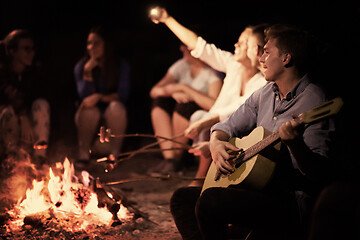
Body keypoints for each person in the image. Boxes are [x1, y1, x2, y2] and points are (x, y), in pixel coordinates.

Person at [170, 24, 336, 240]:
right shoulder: (265, 93)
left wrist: (296, 144)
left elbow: (318, 173)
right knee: (182, 198)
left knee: (211, 201)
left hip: (287, 201)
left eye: (267, 52)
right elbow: (226, 126)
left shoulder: (314, 100)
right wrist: (216, 142)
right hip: (256, 189)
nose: (260, 58)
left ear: (286, 59)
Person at [151, 8, 267, 183]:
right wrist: (167, 19)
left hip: (240, 133)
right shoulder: (234, 66)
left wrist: (204, 122)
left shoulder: (262, 82)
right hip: (217, 130)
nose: (236, 45)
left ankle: (201, 179)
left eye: (243, 43)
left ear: (257, 50)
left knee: (205, 121)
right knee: (200, 117)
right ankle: (200, 173)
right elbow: (200, 47)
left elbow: (238, 108)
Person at [149, 44, 222, 176]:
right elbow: (154, 91)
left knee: (185, 105)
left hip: (195, 122)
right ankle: (170, 159)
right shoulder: (181, 65)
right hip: (179, 116)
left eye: (186, 46)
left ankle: (176, 159)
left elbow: (213, 104)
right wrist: (173, 92)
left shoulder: (212, 71)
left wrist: (185, 88)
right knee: (160, 102)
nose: (181, 49)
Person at [74, 25, 130, 164]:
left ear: (107, 44)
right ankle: (83, 155)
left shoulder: (120, 65)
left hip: (111, 118)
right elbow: (84, 98)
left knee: (116, 107)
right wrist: (87, 72)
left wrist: (99, 97)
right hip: (90, 118)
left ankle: (114, 155)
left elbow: (122, 94)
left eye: (96, 43)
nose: (91, 47)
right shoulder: (81, 66)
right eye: (89, 43)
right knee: (88, 110)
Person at [0, 29, 50, 167]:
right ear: (12, 51)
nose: (31, 53)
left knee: (41, 104)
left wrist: (25, 116)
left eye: (33, 49)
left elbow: (41, 96)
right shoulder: (2, 71)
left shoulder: (33, 72)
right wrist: (22, 115)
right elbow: (7, 93)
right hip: (6, 125)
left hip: (26, 129)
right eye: (26, 49)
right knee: (8, 113)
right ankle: (12, 163)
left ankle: (40, 159)